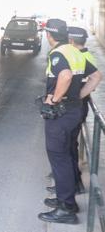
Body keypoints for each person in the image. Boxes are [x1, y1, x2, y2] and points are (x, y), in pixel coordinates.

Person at [37, 19, 86, 224]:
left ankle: (66, 208)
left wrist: (54, 101)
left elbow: (65, 76)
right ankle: (68, 202)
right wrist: (78, 96)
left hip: (61, 114)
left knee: (59, 158)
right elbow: (95, 76)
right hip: (74, 110)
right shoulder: (75, 51)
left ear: (50, 35)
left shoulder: (58, 54)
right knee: (65, 156)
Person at [66, 27, 102, 193]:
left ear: (71, 41)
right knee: (71, 143)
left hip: (76, 107)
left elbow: (94, 80)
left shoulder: (78, 57)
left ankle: (75, 182)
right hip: (80, 106)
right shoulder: (89, 56)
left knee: (69, 145)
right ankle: (73, 180)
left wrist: (78, 95)